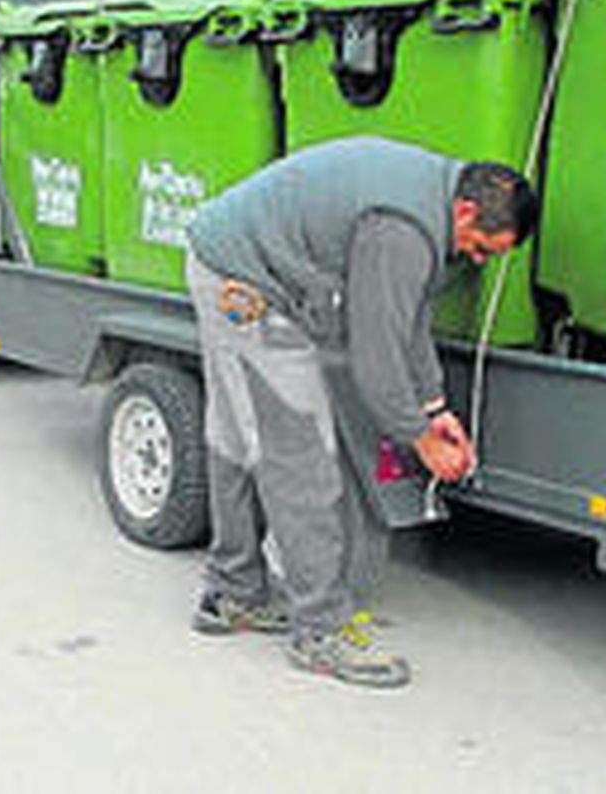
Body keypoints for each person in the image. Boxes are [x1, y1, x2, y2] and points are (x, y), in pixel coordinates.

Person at [182, 136, 537, 688]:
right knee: (302, 457)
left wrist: (435, 408)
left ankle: (233, 594)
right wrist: (421, 441)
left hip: (224, 259)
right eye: (482, 247)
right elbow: (376, 355)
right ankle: (319, 630)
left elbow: (408, 318)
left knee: (236, 437)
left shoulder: (431, 202)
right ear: (466, 211)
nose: (476, 259)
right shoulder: (402, 230)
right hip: (245, 282)